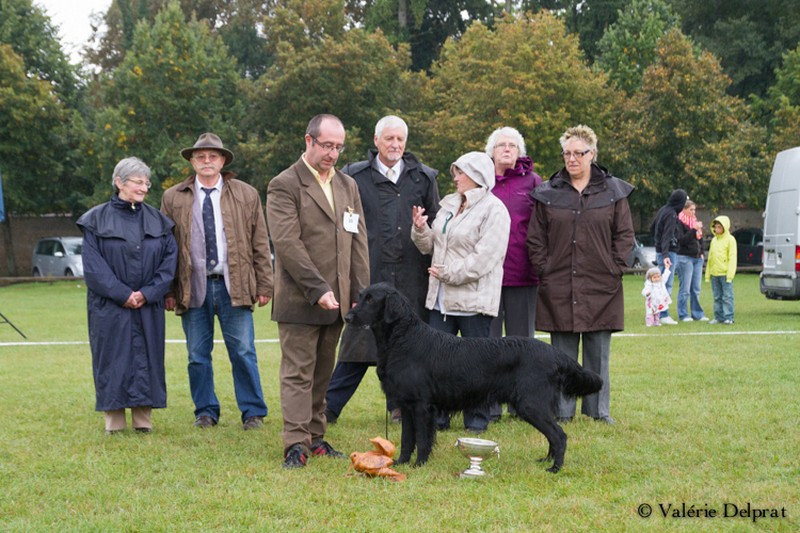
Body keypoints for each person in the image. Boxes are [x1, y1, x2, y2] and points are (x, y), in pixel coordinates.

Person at [266, 114, 370, 468]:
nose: (333, 154)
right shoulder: (284, 184)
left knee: (324, 372)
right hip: (301, 300)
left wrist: (361, 291)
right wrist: (318, 288)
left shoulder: (347, 185)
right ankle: (295, 444)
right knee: (298, 373)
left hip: (339, 301)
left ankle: (316, 436)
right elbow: (287, 243)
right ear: (308, 140)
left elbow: (357, 241)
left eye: (339, 147)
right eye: (327, 145)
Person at [324, 115, 440, 425]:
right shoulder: (352, 176)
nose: (396, 145)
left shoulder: (424, 178)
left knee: (406, 345)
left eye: (401, 139)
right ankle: (329, 407)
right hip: (369, 273)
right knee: (356, 343)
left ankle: (402, 406)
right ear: (376, 141)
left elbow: (436, 228)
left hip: (411, 277)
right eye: (389, 138)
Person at [161, 133, 273, 430]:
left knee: (243, 351)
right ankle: (205, 411)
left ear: (223, 160)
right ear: (192, 161)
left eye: (213, 156)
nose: (207, 161)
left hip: (233, 284)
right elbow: (165, 248)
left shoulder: (246, 194)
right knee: (197, 354)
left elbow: (260, 241)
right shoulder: (173, 197)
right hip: (192, 286)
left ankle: (253, 412)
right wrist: (169, 290)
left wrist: (265, 284)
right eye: (201, 156)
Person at [526, 124, 634, 425]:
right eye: (567, 153)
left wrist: (614, 267)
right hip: (558, 283)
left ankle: (598, 411)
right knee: (561, 355)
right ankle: (562, 410)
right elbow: (535, 238)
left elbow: (624, 236)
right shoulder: (548, 193)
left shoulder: (614, 191)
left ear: (592, 154)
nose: (572, 159)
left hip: (602, 284)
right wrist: (544, 268)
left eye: (579, 153)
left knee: (598, 353)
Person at [411, 151, 510, 434]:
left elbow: (484, 259)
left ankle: (477, 420)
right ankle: (440, 418)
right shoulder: (450, 206)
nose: (455, 177)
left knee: (475, 367)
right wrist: (420, 229)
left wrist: (448, 274)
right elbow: (431, 246)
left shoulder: (495, 210)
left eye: (460, 173)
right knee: (438, 365)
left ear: (478, 177)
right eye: (455, 172)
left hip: (473, 303)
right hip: (440, 301)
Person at [77, 157, 178, 434]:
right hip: (109, 307)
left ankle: (143, 421)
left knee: (148, 356)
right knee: (112, 358)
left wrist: (147, 293)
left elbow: (169, 264)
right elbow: (94, 269)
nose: (144, 187)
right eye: (138, 182)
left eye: (147, 182)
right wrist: (123, 294)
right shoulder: (95, 220)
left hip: (148, 306)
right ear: (119, 182)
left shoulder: (160, 223)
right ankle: (115, 422)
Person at [485, 126, 542, 420]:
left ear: (520, 152)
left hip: (523, 274)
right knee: (490, 345)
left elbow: (543, 226)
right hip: (487, 277)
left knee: (522, 344)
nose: (507, 149)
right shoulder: (481, 181)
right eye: (501, 145)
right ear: (491, 151)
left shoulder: (533, 182)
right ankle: (490, 406)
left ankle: (521, 404)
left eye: (512, 145)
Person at [651, 189, 688, 325]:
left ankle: (657, 313)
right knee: (666, 284)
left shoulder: (663, 210)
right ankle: (663, 314)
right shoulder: (672, 214)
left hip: (660, 251)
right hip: (668, 253)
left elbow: (652, 227)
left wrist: (657, 246)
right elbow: (667, 235)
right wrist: (666, 254)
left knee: (659, 284)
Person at [675, 200, 709, 322]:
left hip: (697, 259)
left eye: (694, 210)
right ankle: (683, 314)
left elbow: (700, 240)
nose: (693, 212)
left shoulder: (694, 221)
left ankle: (697, 314)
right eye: (691, 210)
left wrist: (702, 253)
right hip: (684, 257)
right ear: (684, 209)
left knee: (696, 288)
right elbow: (681, 240)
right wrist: (693, 230)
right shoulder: (679, 222)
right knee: (685, 289)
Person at [705, 216, 737, 324]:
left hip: (725, 274)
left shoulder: (730, 240)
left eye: (719, 227)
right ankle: (718, 317)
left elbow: (732, 257)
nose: (717, 229)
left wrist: (730, 275)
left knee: (727, 296)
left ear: (725, 227)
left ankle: (729, 317)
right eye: (715, 227)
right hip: (715, 273)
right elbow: (710, 257)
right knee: (717, 296)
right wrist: (708, 274)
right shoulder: (714, 240)